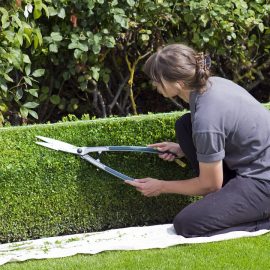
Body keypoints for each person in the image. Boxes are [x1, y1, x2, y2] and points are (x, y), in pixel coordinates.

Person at [125, 43, 270, 237]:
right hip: (254, 165)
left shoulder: (206, 117)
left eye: (157, 80)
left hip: (262, 181)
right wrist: (182, 148)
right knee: (185, 125)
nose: (154, 85)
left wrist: (161, 186)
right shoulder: (213, 85)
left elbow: (211, 184)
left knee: (187, 224)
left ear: (178, 83)